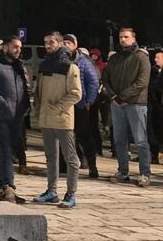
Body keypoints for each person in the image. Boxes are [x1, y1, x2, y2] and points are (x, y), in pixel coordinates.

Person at [33, 32, 82, 208]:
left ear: (60, 43)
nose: (47, 45)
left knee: (70, 158)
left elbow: (76, 93)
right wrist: (38, 109)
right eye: (45, 42)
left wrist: (60, 105)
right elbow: (38, 91)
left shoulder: (70, 67)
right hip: (46, 118)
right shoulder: (43, 65)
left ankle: (71, 193)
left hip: (62, 119)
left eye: (51, 42)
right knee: (50, 156)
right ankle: (51, 191)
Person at [102, 27, 153, 187]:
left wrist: (122, 97)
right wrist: (113, 96)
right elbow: (105, 78)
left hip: (136, 103)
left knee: (140, 140)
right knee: (119, 139)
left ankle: (145, 173)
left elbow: (142, 82)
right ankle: (122, 171)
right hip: (117, 104)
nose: (123, 40)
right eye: (121, 37)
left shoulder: (141, 57)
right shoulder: (115, 58)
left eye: (126, 37)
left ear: (133, 38)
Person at [0, 37, 30, 204]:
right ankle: (7, 187)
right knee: (5, 151)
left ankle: (6, 188)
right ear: (5, 47)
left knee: (11, 151)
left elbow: (25, 88)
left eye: (20, 47)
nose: (18, 50)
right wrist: (4, 105)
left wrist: (24, 106)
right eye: (15, 47)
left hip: (16, 116)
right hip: (0, 115)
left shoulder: (18, 66)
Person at [63, 34, 101, 178]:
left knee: (84, 136)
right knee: (64, 136)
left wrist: (89, 102)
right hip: (64, 105)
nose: (66, 45)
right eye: (64, 42)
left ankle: (92, 165)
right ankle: (64, 165)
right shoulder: (60, 60)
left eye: (69, 43)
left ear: (75, 45)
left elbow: (93, 82)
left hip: (80, 105)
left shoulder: (84, 62)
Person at [149, 50, 162, 164]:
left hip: (160, 105)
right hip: (155, 106)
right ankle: (155, 154)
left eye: (158, 57)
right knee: (154, 131)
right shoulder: (153, 71)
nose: (155, 59)